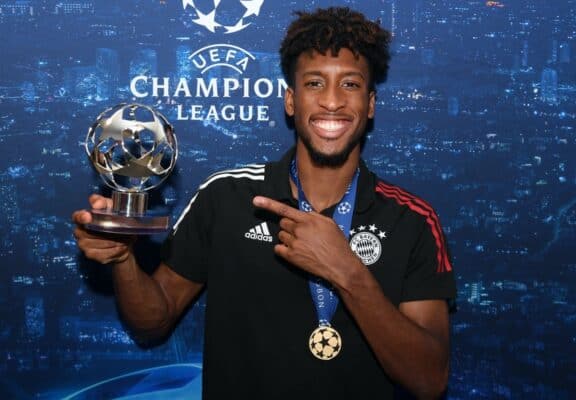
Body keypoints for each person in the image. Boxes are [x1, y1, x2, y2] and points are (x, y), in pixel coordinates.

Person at [72, 7, 456, 399]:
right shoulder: (224, 197)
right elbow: (152, 322)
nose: (332, 102)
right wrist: (123, 261)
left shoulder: (413, 220)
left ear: (371, 104)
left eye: (351, 85)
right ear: (291, 101)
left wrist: (347, 272)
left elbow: (429, 380)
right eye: (314, 84)